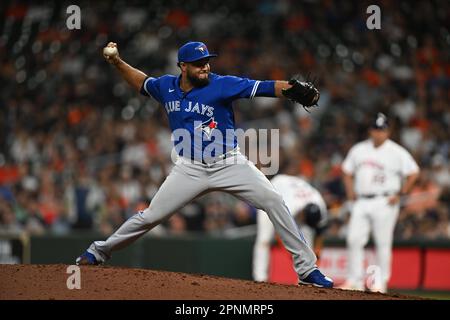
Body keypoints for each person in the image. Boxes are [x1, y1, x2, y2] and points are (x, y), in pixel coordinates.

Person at [75, 41, 333, 288]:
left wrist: (291, 89)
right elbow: (142, 83)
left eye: (207, 62)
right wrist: (117, 61)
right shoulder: (166, 87)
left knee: (274, 201)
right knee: (150, 216)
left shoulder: (222, 85)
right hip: (189, 168)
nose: (205, 67)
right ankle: (99, 251)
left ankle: (307, 269)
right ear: (183, 66)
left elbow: (263, 87)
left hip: (229, 164)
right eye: (198, 63)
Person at [340, 113, 419, 293]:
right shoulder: (359, 149)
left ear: (388, 132)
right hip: (361, 200)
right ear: (370, 131)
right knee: (353, 239)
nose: (378, 133)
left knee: (382, 243)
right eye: (375, 129)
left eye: (381, 130)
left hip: (385, 200)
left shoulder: (397, 151)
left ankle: (380, 282)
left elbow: (414, 172)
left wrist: (401, 193)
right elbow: (346, 171)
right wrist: (350, 190)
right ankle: (354, 281)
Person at [253, 169, 328, 282]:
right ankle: (260, 278)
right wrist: (294, 252)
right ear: (302, 214)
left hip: (294, 189)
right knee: (264, 239)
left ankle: (306, 279)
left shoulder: (320, 205)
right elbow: (281, 234)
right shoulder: (291, 207)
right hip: (273, 192)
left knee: (307, 240)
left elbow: (320, 231)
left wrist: (316, 251)